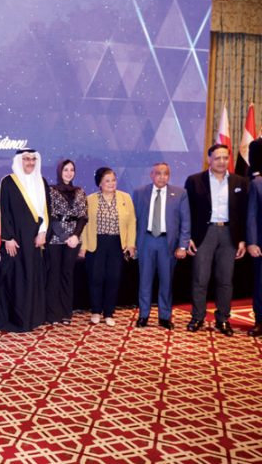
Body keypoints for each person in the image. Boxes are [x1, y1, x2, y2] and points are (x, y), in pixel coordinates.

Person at [184, 144, 249, 336]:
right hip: (204, 234)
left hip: (229, 235)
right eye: (217, 158)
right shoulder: (195, 180)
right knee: (200, 278)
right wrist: (187, 237)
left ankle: (223, 319)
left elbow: (244, 213)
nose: (222, 161)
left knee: (225, 280)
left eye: (225, 158)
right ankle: (197, 317)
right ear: (209, 159)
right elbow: (187, 211)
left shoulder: (240, 181)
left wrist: (242, 240)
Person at [0, 148, 50, 333]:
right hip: (15, 242)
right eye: (26, 159)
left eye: (33, 159)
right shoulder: (7, 182)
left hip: (34, 241)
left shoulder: (41, 181)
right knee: (16, 279)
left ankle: (32, 319)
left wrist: (43, 233)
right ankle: (15, 321)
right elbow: (2, 211)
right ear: (19, 160)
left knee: (33, 277)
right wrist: (7, 237)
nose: (30, 163)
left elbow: (46, 210)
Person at [132, 163, 190, 329]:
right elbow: (133, 220)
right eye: (158, 173)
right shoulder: (139, 192)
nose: (162, 177)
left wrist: (183, 246)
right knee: (145, 281)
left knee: (166, 281)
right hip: (146, 241)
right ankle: (143, 315)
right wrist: (132, 243)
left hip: (168, 243)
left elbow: (186, 221)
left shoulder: (180, 193)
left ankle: (164, 316)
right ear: (152, 175)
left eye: (165, 174)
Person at [79, 167, 136, 326]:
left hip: (117, 243)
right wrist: (83, 246)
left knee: (113, 278)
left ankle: (109, 313)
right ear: (100, 183)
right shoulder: (90, 199)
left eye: (113, 180)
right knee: (96, 278)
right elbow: (85, 225)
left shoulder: (125, 197)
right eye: (107, 181)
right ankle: (96, 311)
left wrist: (131, 243)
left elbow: (132, 222)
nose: (111, 183)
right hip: (96, 243)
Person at [46, 159, 87, 325]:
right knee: (54, 275)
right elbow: (51, 216)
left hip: (74, 240)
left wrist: (75, 236)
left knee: (67, 275)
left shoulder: (80, 191)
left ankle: (65, 313)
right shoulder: (51, 190)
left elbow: (83, 217)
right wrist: (65, 237)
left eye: (71, 170)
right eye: (65, 170)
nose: (69, 173)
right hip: (56, 239)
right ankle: (53, 314)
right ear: (59, 171)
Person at [247, 174, 262, 337]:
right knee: (260, 284)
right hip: (261, 245)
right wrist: (252, 242)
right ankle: (260, 321)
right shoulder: (257, 184)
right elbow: (251, 215)